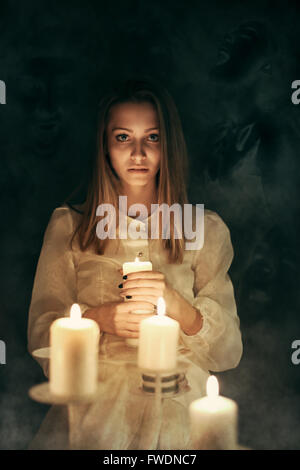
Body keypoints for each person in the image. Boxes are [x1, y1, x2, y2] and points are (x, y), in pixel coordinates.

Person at [27, 78, 243, 450]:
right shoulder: (70, 227)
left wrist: (177, 306)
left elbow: (228, 352)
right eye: (124, 137)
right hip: (96, 410)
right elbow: (42, 336)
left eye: (153, 138)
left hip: (180, 411)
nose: (139, 153)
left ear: (168, 145)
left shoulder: (204, 230)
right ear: (105, 146)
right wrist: (99, 320)